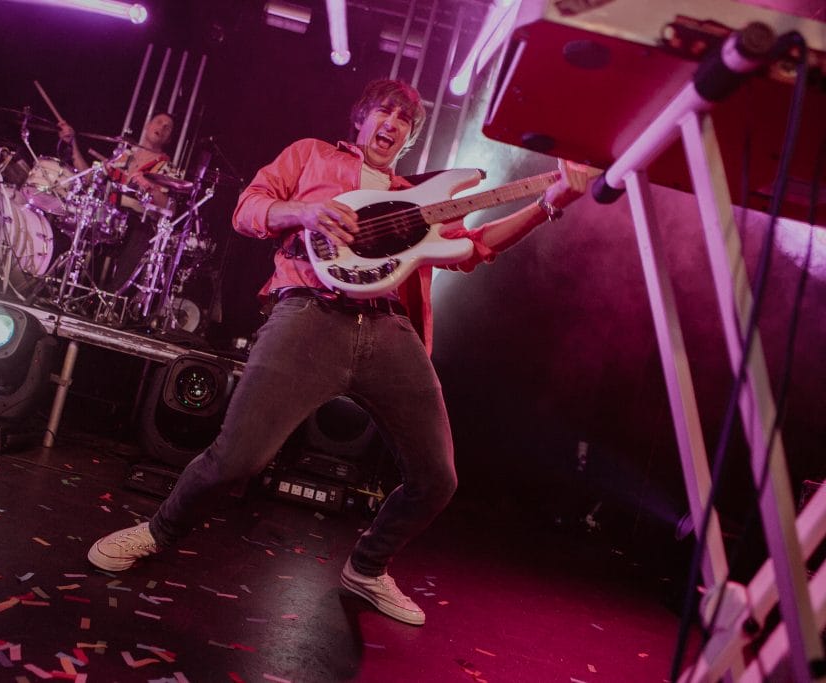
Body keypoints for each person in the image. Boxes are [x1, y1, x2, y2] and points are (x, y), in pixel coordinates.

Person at [87, 79, 591, 626]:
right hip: (309, 313)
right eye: (384, 111)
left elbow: (476, 248)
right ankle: (158, 530)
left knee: (437, 479)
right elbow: (248, 208)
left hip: (389, 329)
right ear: (361, 119)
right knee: (238, 460)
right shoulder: (311, 155)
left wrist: (549, 203)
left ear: (408, 138)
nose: (392, 123)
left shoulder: (424, 196)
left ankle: (368, 568)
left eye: (404, 119)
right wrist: (304, 214)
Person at [57, 112, 176, 209]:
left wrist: (152, 188)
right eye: (159, 122)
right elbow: (90, 179)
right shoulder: (124, 155)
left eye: (167, 127)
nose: (162, 127)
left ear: (169, 139)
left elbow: (171, 209)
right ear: (147, 125)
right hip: (105, 219)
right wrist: (72, 142)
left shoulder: (166, 166)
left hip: (138, 226)